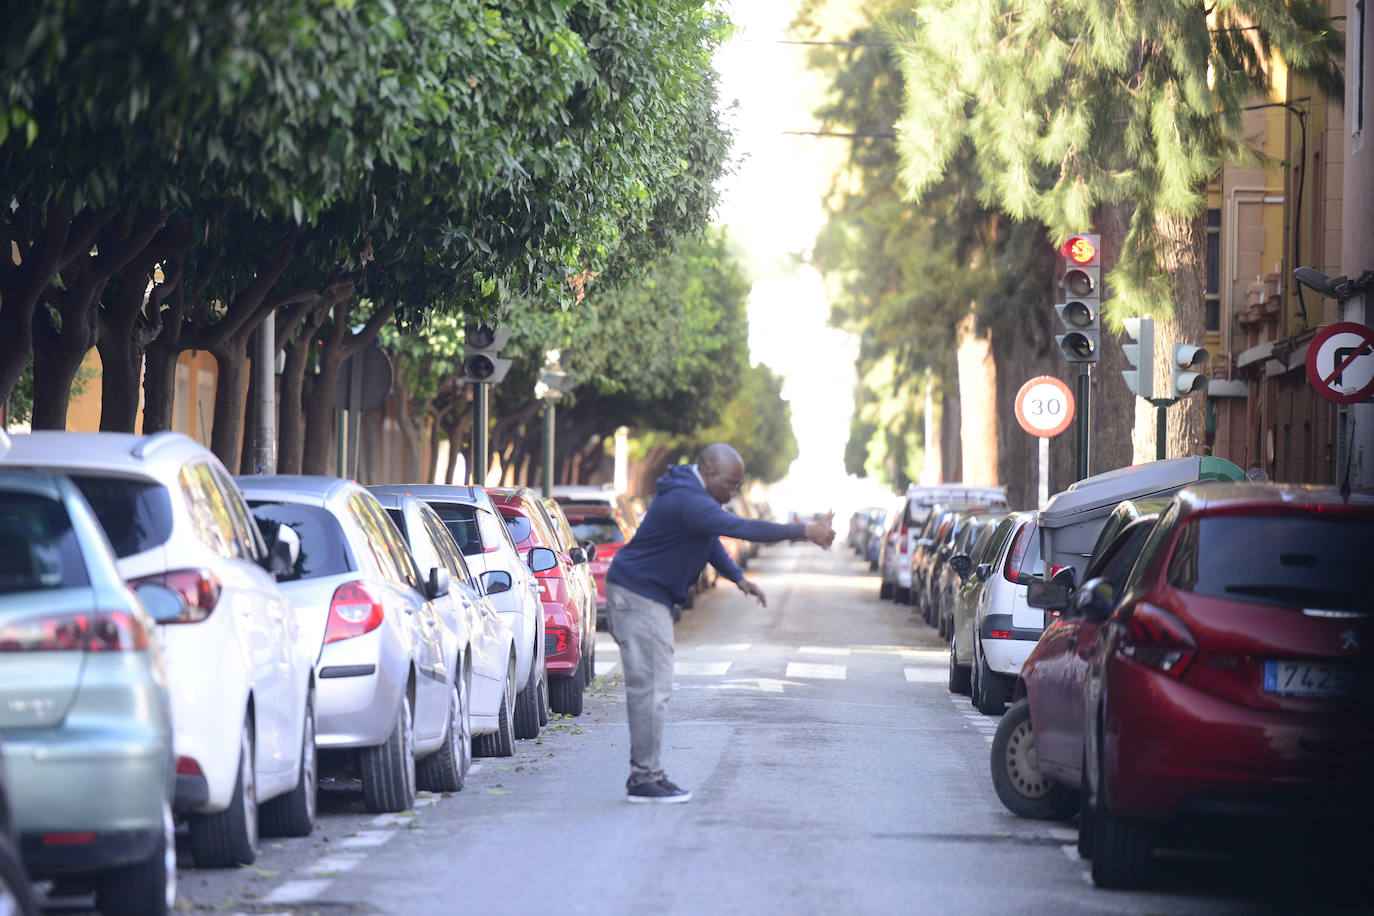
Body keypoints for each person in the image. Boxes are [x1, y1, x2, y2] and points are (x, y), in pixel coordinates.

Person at [604, 443, 835, 804]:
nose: (734, 493)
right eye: (731, 484)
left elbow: (708, 541)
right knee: (652, 688)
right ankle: (644, 778)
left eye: (739, 486)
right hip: (639, 596)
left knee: (654, 686)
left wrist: (737, 577)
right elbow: (740, 527)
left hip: (642, 594)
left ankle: (647, 773)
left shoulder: (692, 497)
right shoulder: (689, 500)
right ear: (709, 473)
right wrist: (802, 531)